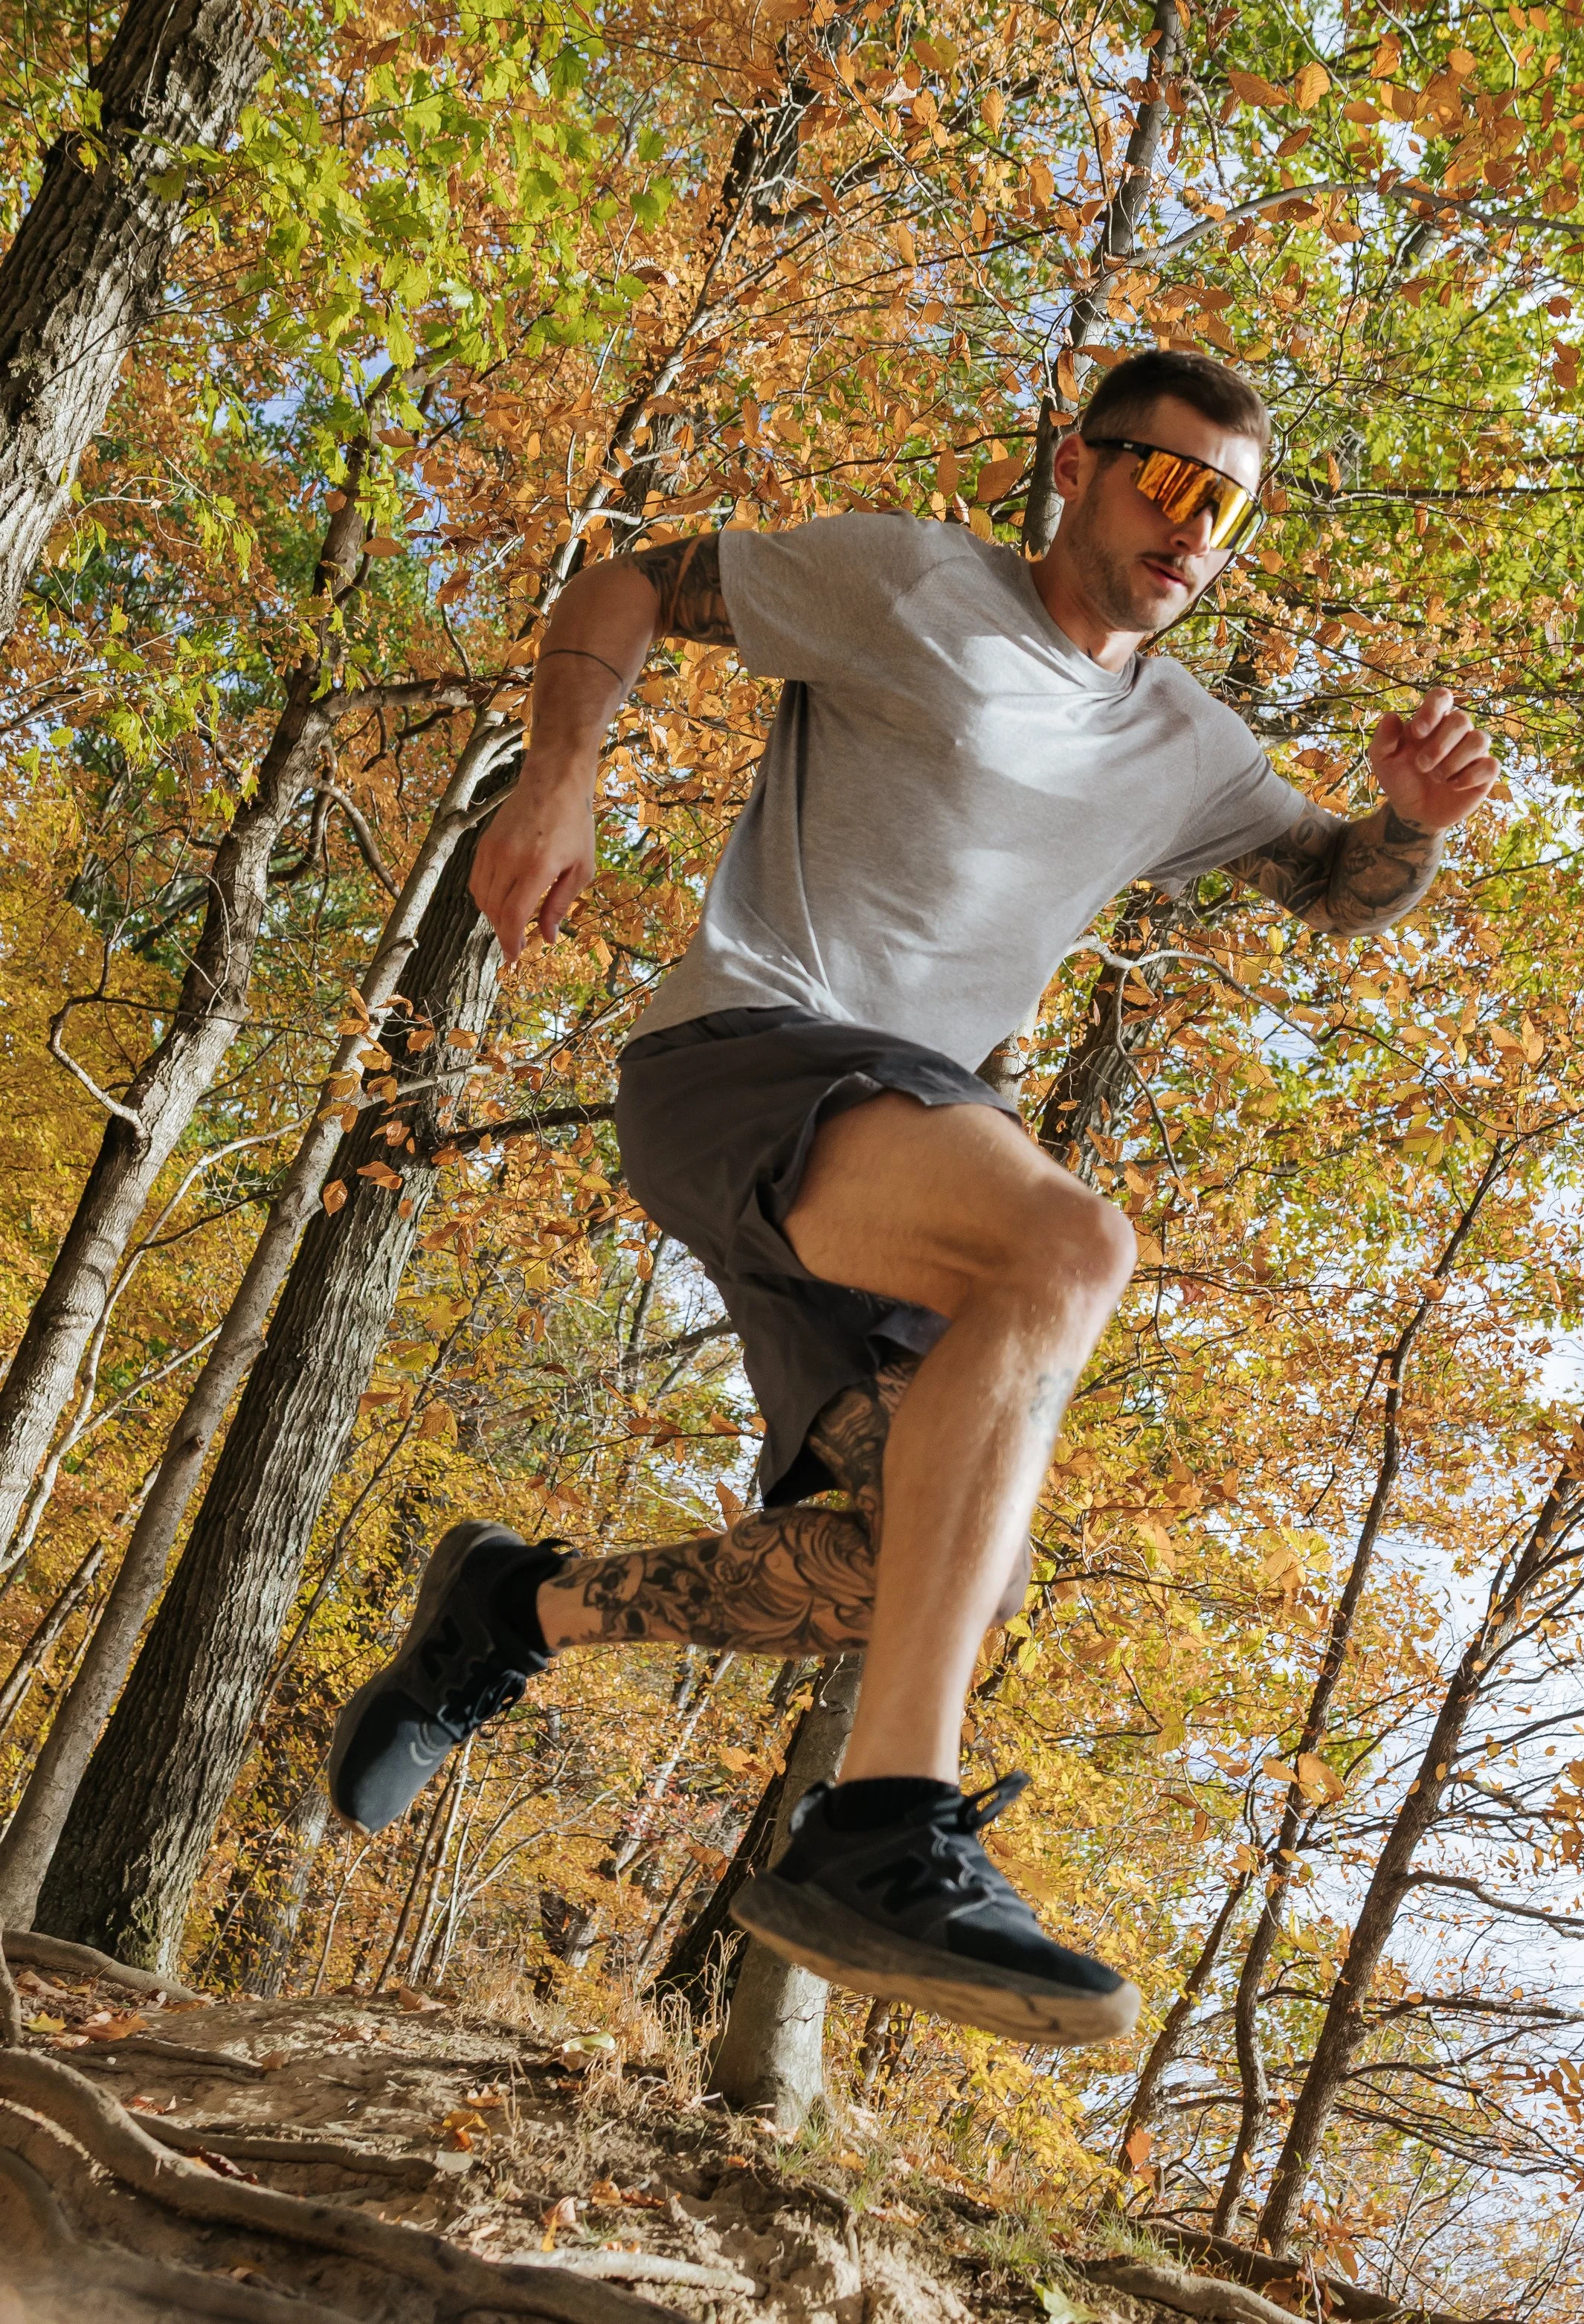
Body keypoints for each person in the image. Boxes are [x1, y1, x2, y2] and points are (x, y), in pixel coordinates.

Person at [326, 349, 1496, 2044]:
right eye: (1163, 481)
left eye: (1224, 508)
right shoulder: (918, 586)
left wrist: (1409, 824)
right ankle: (881, 1824)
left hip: (903, 1154)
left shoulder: (1185, 741)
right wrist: (556, 770)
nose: (1190, 530)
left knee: (921, 1571)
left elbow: (1332, 884)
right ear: (1077, 470)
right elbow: (631, 579)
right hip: (753, 1051)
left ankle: (511, 1606)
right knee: (1072, 1239)